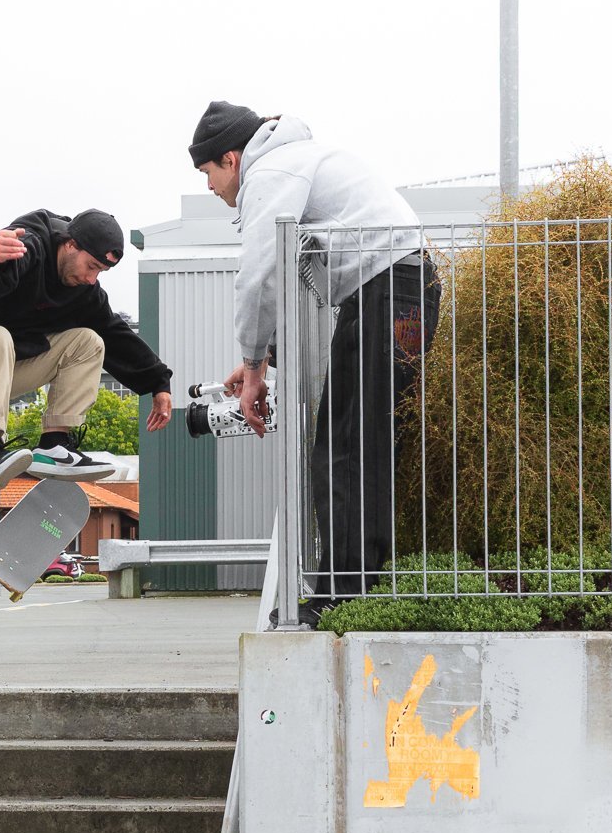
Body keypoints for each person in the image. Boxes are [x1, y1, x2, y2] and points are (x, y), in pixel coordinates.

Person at [187, 100, 441, 601]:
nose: (210, 187)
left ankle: (343, 598)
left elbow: (259, 274)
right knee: (366, 446)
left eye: (208, 172)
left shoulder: (271, 170)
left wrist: (256, 365)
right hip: (405, 289)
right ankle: (357, 588)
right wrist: (264, 353)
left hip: (383, 292)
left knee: (344, 450)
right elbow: (289, 271)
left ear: (231, 159)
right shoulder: (302, 159)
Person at [0, 208, 174, 491]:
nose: (92, 279)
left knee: (89, 341)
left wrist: (158, 384)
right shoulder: (31, 246)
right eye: (91, 266)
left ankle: (54, 446)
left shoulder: (83, 293)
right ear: (70, 245)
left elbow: (115, 333)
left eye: (101, 272)